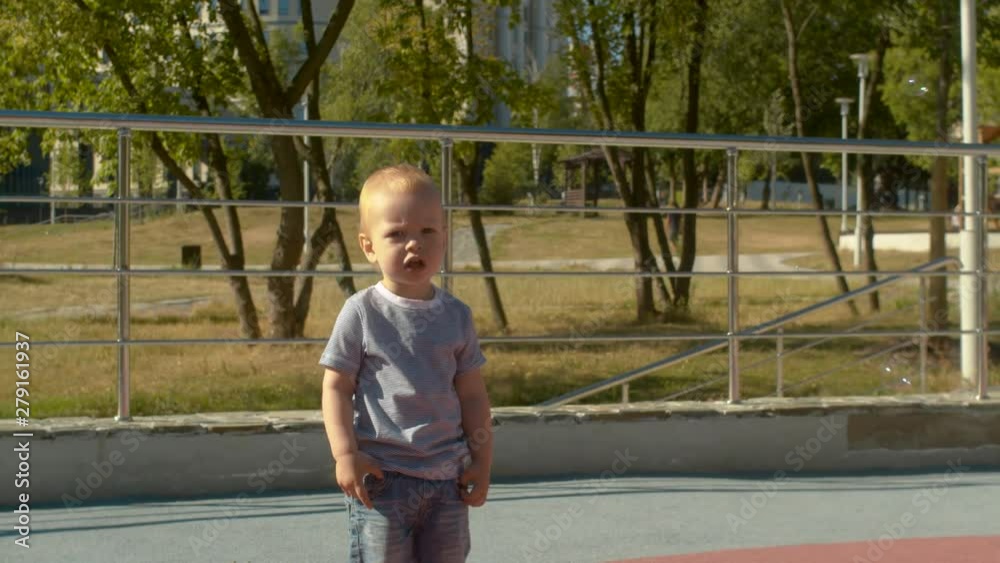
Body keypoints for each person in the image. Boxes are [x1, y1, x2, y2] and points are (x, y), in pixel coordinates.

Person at [319, 164, 493, 563]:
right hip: (382, 480)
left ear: (444, 237)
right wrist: (345, 454)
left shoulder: (457, 316)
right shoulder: (361, 312)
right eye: (397, 234)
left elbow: (472, 395)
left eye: (427, 231)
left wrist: (482, 460)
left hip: (448, 481)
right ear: (368, 247)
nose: (414, 244)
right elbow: (336, 387)